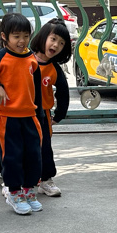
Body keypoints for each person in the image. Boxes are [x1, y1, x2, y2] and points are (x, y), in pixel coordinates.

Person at [0, 13, 43, 216]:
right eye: (16, 36)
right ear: (5, 37)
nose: (22, 41)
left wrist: (40, 113)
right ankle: (14, 192)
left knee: (33, 154)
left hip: (29, 114)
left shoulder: (31, 58)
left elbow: (37, 89)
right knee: (12, 156)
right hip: (6, 116)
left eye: (26, 36)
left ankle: (29, 190)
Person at [30, 19, 71, 196]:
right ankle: (15, 183)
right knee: (19, 147)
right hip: (20, 112)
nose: (56, 45)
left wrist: (59, 115)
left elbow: (63, 92)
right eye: (53, 39)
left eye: (61, 43)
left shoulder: (54, 68)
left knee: (45, 147)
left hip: (43, 114)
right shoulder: (26, 60)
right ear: (43, 37)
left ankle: (46, 180)